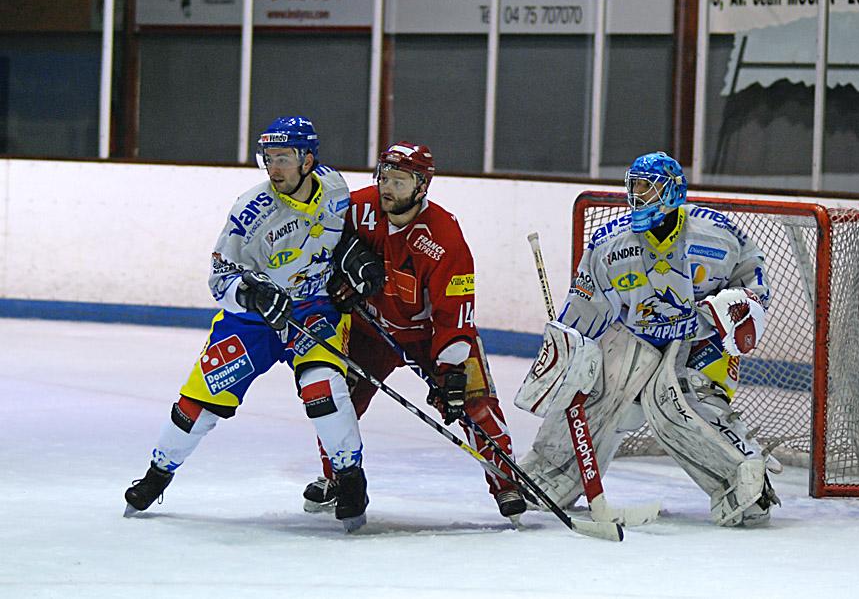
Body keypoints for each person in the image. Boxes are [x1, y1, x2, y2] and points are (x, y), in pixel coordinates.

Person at [123, 116, 385, 532]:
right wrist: (252, 294)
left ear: (308, 159)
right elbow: (220, 277)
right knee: (197, 408)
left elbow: (336, 237)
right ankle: (158, 473)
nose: (274, 167)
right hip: (252, 322)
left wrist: (355, 256)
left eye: (283, 157)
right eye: (269, 158)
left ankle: (350, 478)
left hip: (312, 309)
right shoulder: (250, 210)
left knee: (325, 389)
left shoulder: (335, 187)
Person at [516, 151, 781, 527]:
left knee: (680, 403)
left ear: (672, 191)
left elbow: (752, 278)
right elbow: (584, 308)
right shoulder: (609, 245)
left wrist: (741, 306)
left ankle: (746, 481)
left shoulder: (717, 234)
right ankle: (549, 474)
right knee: (597, 390)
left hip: (700, 338)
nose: (637, 196)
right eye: (634, 186)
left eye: (647, 187)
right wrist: (568, 351)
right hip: (636, 336)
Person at [302, 141, 527, 520]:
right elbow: (314, 243)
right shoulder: (357, 209)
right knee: (336, 400)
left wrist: (453, 367)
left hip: (430, 337)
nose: (387, 188)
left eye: (400, 182)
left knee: (475, 404)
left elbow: (453, 309)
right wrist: (339, 272)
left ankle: (506, 482)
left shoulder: (444, 235)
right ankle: (340, 477)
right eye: (384, 178)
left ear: (422, 187)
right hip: (369, 331)